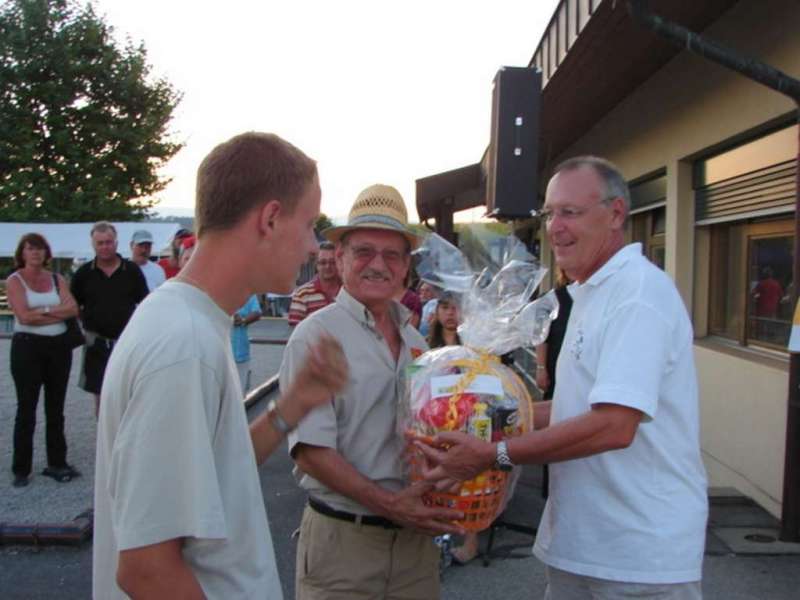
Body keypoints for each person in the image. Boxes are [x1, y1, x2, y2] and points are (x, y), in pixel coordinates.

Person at [417, 156, 708, 599]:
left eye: (570, 212)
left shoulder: (638, 295)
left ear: (615, 214)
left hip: (637, 558)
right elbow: (577, 405)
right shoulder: (591, 293)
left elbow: (614, 424)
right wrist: (483, 414)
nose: (555, 227)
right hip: (584, 546)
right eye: (549, 213)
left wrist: (493, 453)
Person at [93, 132, 349, 599]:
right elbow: (146, 570)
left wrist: (290, 407)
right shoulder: (184, 347)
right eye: (309, 223)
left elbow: (212, 470)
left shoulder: (189, 323)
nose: (314, 246)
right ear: (270, 219)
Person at [282, 183, 463, 600]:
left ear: (405, 268)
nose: (377, 265)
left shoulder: (417, 342)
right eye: (363, 251)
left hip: (415, 547)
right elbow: (311, 452)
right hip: (345, 547)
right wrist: (392, 504)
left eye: (392, 254)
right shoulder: (316, 335)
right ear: (341, 258)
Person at [6, 233, 81, 488]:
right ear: (22, 253)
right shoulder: (15, 281)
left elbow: (72, 309)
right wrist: (54, 313)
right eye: (30, 249)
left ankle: (57, 462)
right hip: (28, 348)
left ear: (46, 252)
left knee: (56, 408)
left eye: (40, 249)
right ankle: (21, 468)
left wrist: (44, 311)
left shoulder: (57, 279)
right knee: (26, 408)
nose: (36, 253)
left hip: (58, 348)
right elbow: (24, 317)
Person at [70, 222, 148, 416]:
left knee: (129, 393)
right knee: (101, 396)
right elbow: (73, 305)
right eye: (100, 243)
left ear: (116, 243)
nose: (105, 246)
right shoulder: (84, 274)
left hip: (126, 342)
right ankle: (105, 443)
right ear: (93, 245)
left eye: (109, 242)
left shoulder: (131, 271)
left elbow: (145, 304)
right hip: (97, 343)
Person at [535, 267, 572, 401]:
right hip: (555, 368)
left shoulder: (594, 298)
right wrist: (540, 368)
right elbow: (541, 337)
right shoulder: (551, 299)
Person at [287, 240, 341, 326]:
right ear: (316, 265)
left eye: (332, 262)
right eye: (323, 262)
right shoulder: (302, 294)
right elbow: (295, 331)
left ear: (339, 263)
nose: (328, 266)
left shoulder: (350, 291)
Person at [232, 294, 262, 394]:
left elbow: (257, 313)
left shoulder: (248, 293)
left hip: (240, 352)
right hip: (219, 354)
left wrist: (243, 320)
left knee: (240, 393)